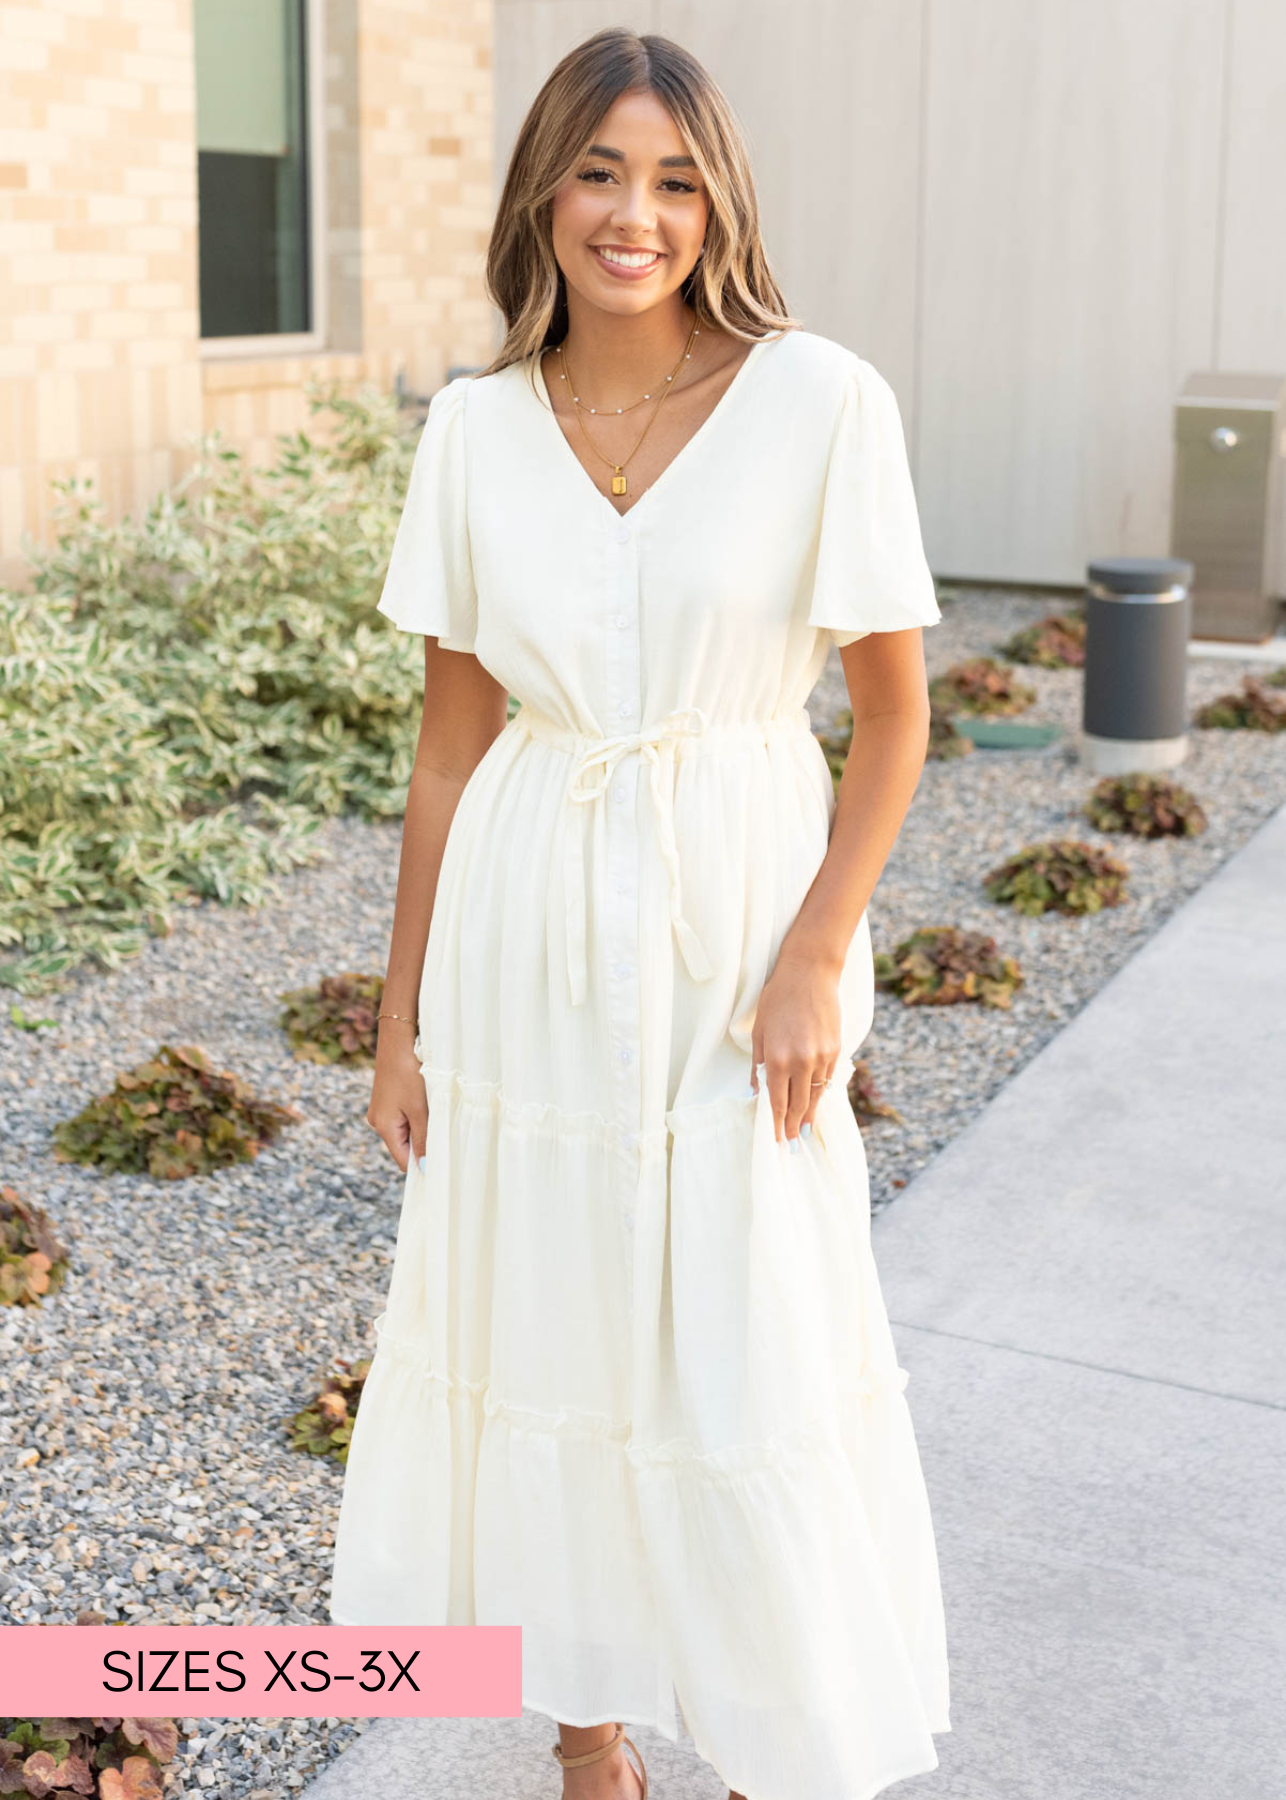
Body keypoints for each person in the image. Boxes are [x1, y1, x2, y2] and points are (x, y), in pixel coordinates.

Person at [329, 25, 950, 1800]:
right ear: (546, 191)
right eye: (600, 171)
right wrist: (401, 1017)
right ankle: (587, 1732)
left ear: (717, 201)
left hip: (735, 921)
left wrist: (817, 953)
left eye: (673, 179)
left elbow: (894, 712)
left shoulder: (819, 400)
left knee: (747, 1326)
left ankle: (772, 1725)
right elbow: (448, 757)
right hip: (525, 925)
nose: (635, 213)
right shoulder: (472, 429)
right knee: (550, 1310)